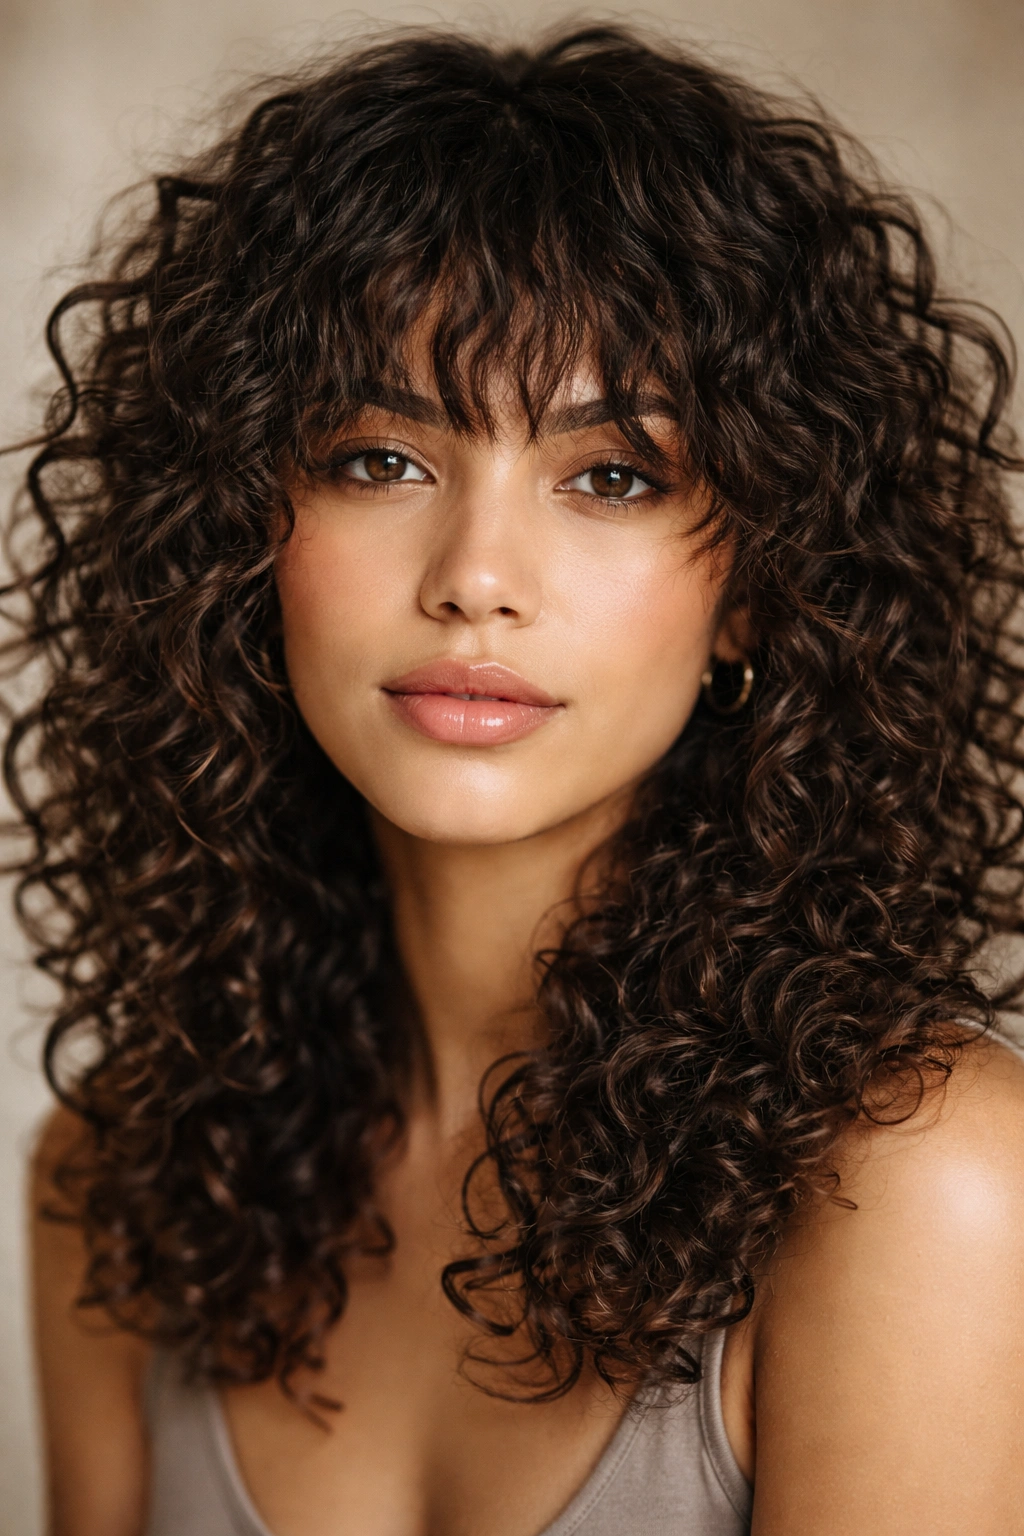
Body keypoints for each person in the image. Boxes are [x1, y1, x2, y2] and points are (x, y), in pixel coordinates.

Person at [8, 24, 1024, 1536]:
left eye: (611, 475)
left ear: (756, 588)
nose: (477, 579)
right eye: (379, 459)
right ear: (236, 534)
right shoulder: (124, 1178)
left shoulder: (919, 1184)